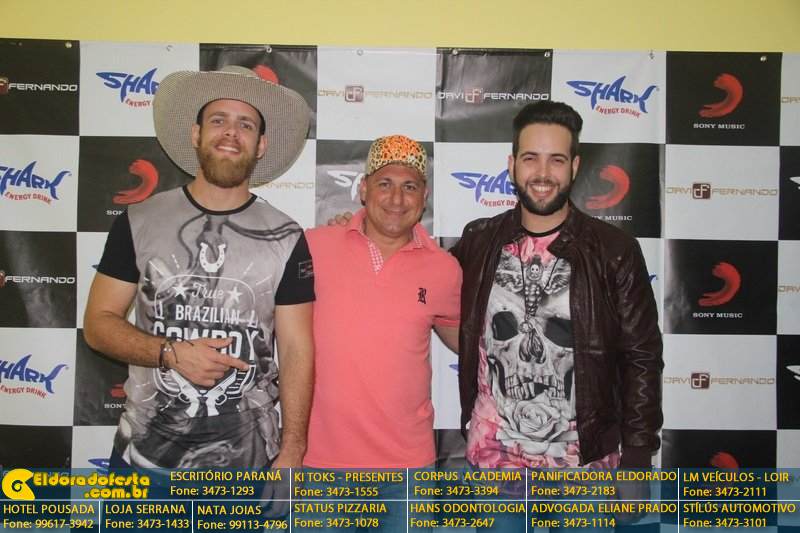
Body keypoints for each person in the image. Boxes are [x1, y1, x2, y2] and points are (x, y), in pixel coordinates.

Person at [83, 66, 315, 473]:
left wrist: (293, 448)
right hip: (143, 457)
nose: (231, 132)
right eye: (218, 120)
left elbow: (296, 348)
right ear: (196, 134)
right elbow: (98, 325)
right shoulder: (139, 221)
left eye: (245, 124)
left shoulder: (286, 236)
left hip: (250, 461)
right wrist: (168, 353)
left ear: (260, 145)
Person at [450, 101, 663, 527]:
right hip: (494, 464)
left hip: (586, 467)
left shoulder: (614, 251)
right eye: (531, 158)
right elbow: (420, 278)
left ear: (575, 166)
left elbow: (641, 356)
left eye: (557, 160)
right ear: (512, 164)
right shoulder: (479, 241)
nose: (543, 173)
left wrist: (638, 459)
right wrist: (361, 228)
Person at [300, 135, 462, 531]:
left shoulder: (444, 269)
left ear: (424, 196)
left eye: (410, 186)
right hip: (320, 466)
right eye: (385, 183)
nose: (396, 198)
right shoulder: (312, 247)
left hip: (407, 473)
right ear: (363, 189)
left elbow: (466, 342)